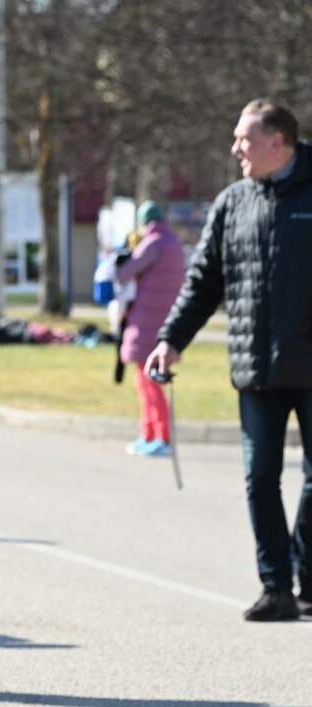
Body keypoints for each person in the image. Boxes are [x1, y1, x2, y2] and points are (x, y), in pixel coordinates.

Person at [146, 98, 312, 622]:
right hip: (256, 367)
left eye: (245, 138)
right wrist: (171, 339)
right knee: (259, 479)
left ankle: (308, 574)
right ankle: (276, 588)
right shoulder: (232, 203)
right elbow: (202, 283)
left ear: (277, 142)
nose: (236, 147)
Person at [115, 201, 186, 457]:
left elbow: (123, 273)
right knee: (151, 381)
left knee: (148, 384)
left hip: (146, 324)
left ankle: (160, 436)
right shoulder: (175, 244)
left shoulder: (152, 243)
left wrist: (118, 256)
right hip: (168, 323)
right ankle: (148, 433)